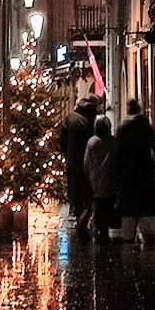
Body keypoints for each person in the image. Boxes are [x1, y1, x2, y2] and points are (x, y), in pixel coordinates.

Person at [113, 97, 155, 244]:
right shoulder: (145, 127)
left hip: (127, 179)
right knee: (146, 218)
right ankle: (148, 256)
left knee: (128, 221)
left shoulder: (122, 129)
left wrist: (116, 179)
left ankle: (128, 254)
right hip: (144, 177)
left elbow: (117, 156)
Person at [59, 94, 99, 229]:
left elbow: (62, 139)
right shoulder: (91, 119)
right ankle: (83, 219)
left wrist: (66, 153)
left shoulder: (70, 117)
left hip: (72, 158)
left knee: (74, 186)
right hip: (87, 159)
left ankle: (76, 212)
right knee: (87, 189)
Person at [84, 114, 118, 242]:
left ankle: (99, 229)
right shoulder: (113, 142)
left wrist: (87, 175)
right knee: (108, 204)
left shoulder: (92, 142)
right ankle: (105, 230)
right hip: (109, 178)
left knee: (98, 205)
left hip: (95, 178)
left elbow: (86, 162)